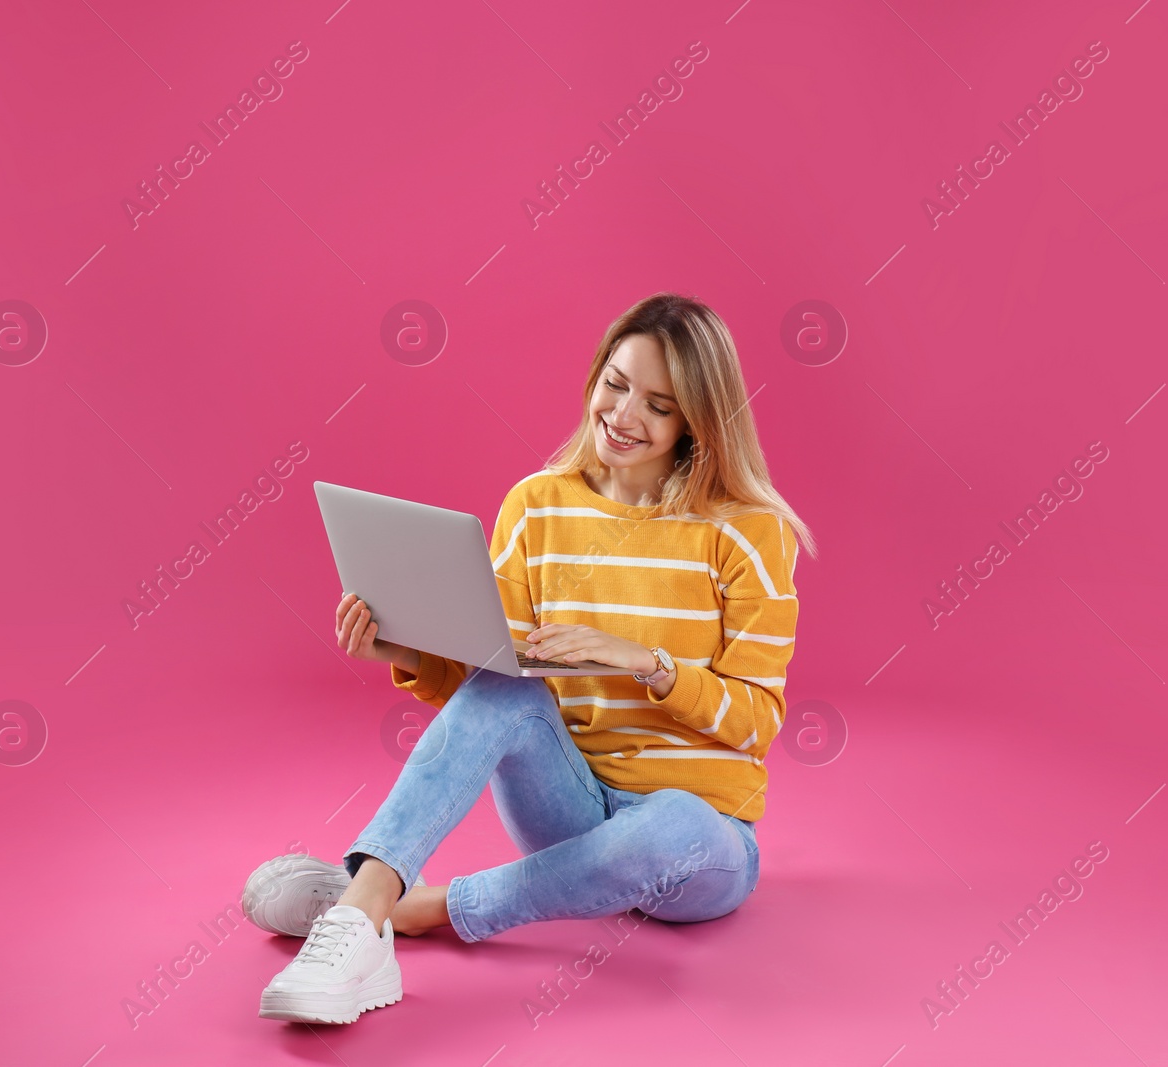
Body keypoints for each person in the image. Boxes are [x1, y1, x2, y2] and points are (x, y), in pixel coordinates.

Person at [246, 292, 817, 1025]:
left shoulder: (747, 533)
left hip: (699, 840)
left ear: (698, 422)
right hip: (569, 805)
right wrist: (403, 649)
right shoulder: (536, 506)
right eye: (615, 383)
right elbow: (495, 671)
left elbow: (757, 724)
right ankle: (360, 913)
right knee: (505, 693)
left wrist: (649, 663)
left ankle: (421, 909)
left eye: (659, 404)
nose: (622, 414)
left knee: (672, 820)